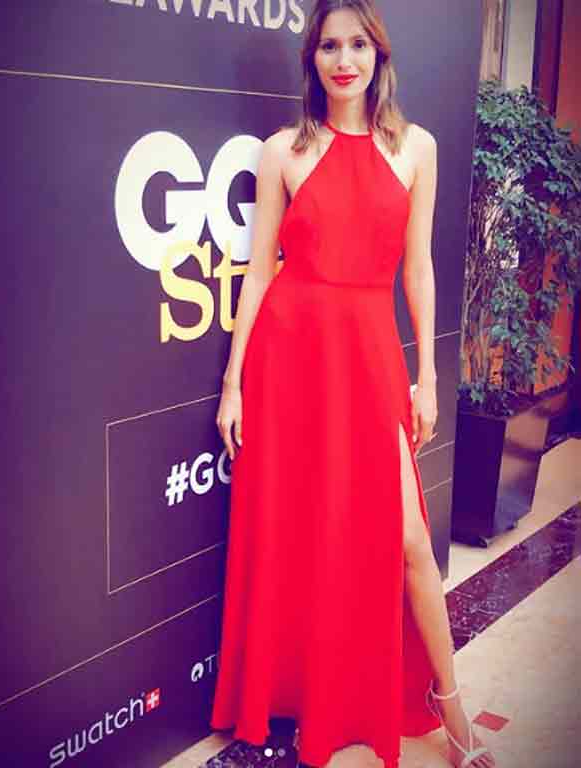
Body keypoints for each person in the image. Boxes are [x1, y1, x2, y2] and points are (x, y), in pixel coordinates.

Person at [210, 2, 497, 767]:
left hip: (371, 360)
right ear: (313, 61)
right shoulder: (283, 152)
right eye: (329, 46)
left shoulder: (417, 148)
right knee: (306, 537)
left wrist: (429, 379)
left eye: (357, 45)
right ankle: (308, 697)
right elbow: (260, 273)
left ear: (379, 55)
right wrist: (235, 382)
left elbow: (420, 268)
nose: (344, 59)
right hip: (291, 362)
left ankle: (449, 702)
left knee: (407, 543)